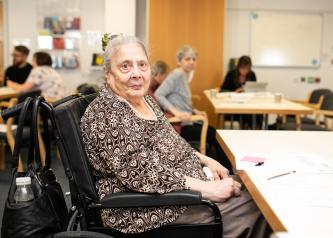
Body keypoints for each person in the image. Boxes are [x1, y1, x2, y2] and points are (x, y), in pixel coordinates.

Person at [81, 34, 270, 237]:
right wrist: (208, 190)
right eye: (125, 66)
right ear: (108, 73)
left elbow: (174, 142)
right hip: (144, 206)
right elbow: (141, 173)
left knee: (257, 190)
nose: (136, 73)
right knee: (261, 207)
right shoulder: (108, 113)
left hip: (182, 186)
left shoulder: (146, 101)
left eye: (142, 65)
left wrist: (206, 160)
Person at [155, 45, 233, 173]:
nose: (191, 61)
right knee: (216, 136)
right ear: (179, 61)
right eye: (187, 59)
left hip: (187, 121)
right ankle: (227, 172)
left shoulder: (184, 75)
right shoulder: (177, 74)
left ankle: (217, 171)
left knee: (215, 133)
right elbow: (159, 94)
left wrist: (195, 110)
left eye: (193, 59)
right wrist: (176, 112)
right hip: (180, 126)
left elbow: (181, 99)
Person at [220, 56, 262, 129]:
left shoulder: (252, 74)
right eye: (243, 69)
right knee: (247, 113)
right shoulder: (231, 74)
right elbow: (222, 90)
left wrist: (247, 91)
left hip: (249, 102)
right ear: (238, 66)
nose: (245, 71)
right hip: (234, 104)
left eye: (247, 69)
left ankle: (256, 129)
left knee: (258, 113)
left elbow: (255, 89)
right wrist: (234, 92)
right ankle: (246, 128)